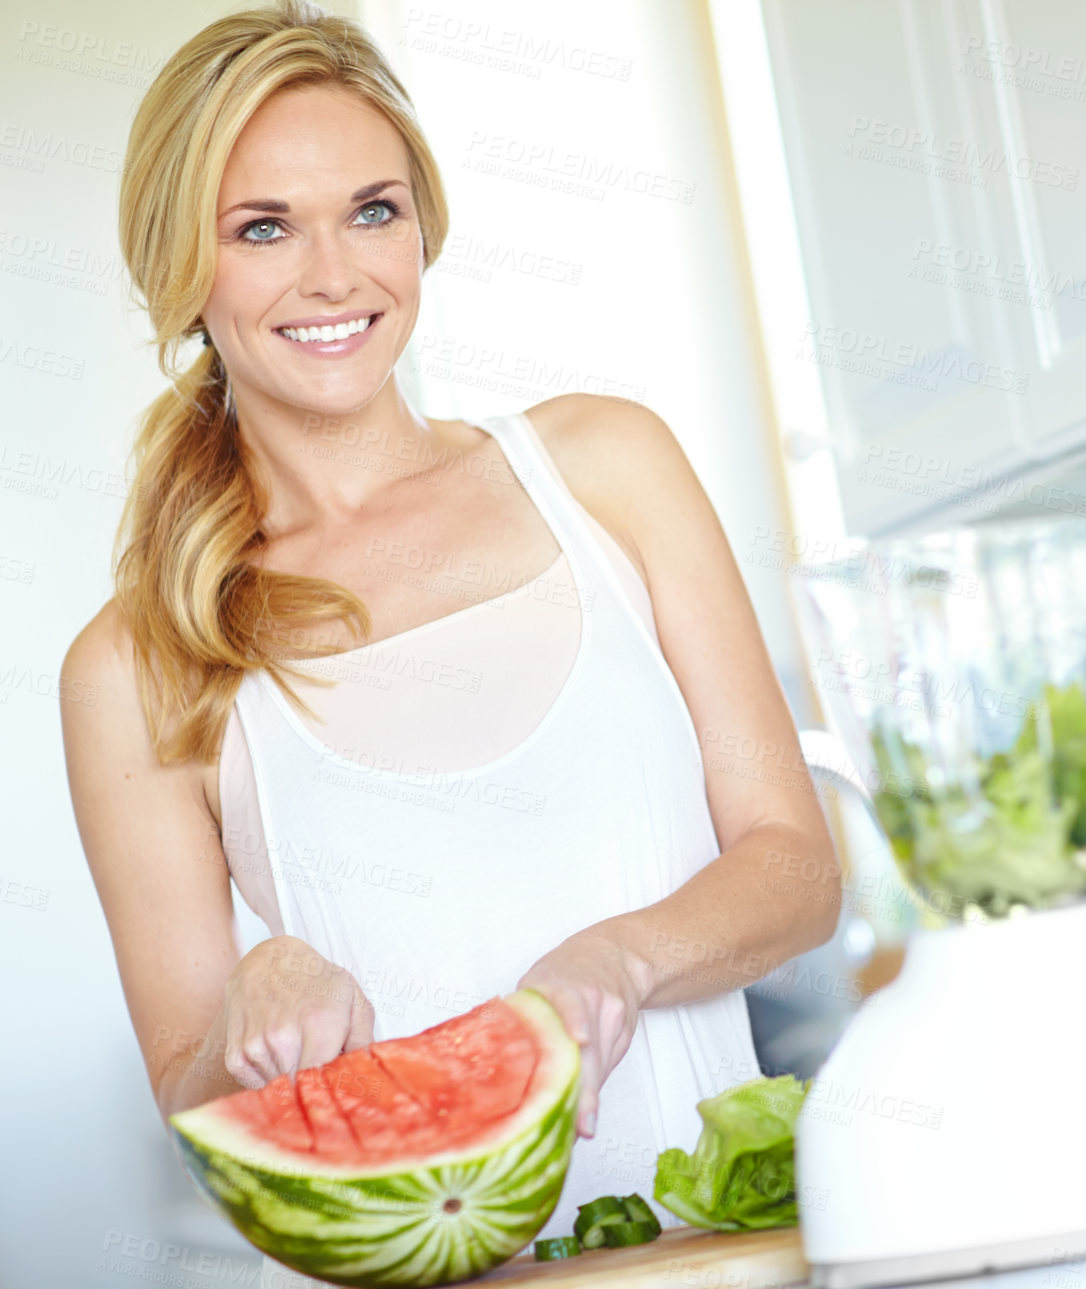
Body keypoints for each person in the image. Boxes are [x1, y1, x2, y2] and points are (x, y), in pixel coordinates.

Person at [57, 0, 841, 1259]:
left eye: (373, 209)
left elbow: (796, 868)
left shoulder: (604, 467)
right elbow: (195, 1103)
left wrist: (623, 958)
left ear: (422, 224)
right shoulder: (136, 660)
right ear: (184, 269)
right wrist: (241, 1018)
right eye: (263, 228)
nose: (334, 274)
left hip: (735, 1258)